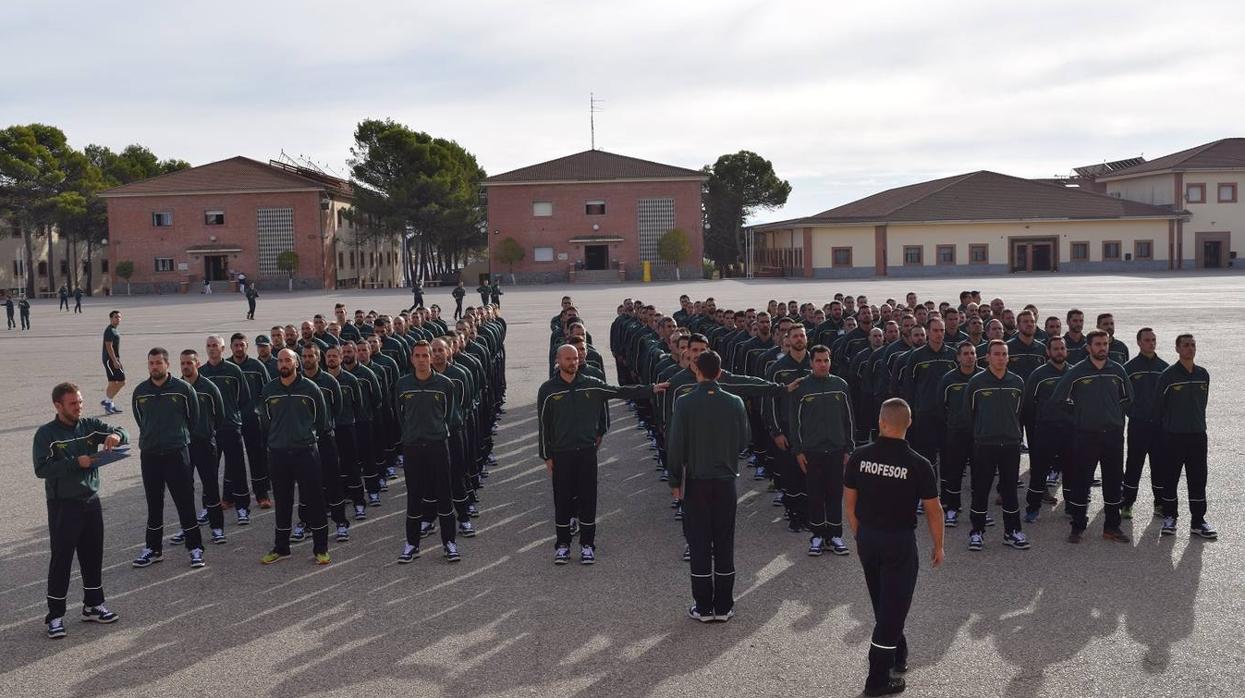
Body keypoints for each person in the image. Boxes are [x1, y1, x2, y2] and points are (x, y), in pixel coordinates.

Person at [844, 398, 943, 697]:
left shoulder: (859, 458)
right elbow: (934, 510)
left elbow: (849, 502)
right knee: (892, 612)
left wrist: (860, 534)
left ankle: (898, 655)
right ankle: (877, 680)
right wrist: (938, 545)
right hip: (898, 542)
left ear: (880, 422)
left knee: (883, 601)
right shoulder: (919, 464)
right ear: (909, 424)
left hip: (869, 539)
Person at [537, 344, 667, 564]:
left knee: (588, 498)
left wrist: (651, 388)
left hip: (587, 452)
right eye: (568, 359)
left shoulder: (591, 385)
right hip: (562, 453)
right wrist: (547, 457)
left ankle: (587, 544)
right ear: (558, 361)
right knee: (563, 500)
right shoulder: (548, 390)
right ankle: (562, 545)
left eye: (576, 358)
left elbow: (619, 391)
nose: (573, 362)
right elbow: (543, 426)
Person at [33, 382, 128, 639]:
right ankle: (55, 616)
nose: (78, 407)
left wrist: (116, 436)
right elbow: (41, 469)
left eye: (80, 402)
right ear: (58, 405)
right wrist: (77, 462)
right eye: (73, 404)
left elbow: (122, 431)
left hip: (90, 500)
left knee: (92, 554)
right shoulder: (46, 434)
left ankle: (93, 605)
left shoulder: (89, 427)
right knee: (61, 560)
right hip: (63, 505)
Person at [667, 350, 750, 622]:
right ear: (720, 371)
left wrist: (674, 481)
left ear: (697, 371)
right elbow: (744, 441)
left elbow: (676, 445)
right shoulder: (735, 401)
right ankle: (724, 606)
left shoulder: (685, 402)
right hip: (726, 480)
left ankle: (703, 607)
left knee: (700, 543)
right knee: (724, 542)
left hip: (697, 482)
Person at [1049, 329, 1133, 544]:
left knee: (1114, 482)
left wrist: (1115, 416)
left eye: (1105, 344)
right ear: (1089, 347)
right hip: (1085, 436)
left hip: (1113, 436)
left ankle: (1112, 527)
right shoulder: (1077, 371)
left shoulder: (1117, 370)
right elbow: (1058, 399)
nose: (1102, 348)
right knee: (1081, 482)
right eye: (1098, 344)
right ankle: (1077, 527)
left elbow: (1128, 398)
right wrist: (1078, 415)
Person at [130, 347, 206, 569]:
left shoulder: (183, 389)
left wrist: (176, 437)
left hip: (176, 453)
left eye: (158, 363)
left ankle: (195, 548)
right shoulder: (140, 392)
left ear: (167, 364)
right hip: (150, 455)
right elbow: (140, 419)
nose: (154, 367)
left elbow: (193, 419)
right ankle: (153, 549)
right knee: (154, 504)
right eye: (151, 363)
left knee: (185, 502)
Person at [257, 348, 332, 565]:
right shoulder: (269, 390)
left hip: (305, 451)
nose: (283, 364)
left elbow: (321, 420)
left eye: (287, 360)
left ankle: (321, 548)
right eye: (280, 360)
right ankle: (281, 547)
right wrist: (279, 438)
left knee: (315, 500)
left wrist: (303, 436)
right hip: (279, 453)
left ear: (296, 363)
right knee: (282, 501)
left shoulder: (310, 388)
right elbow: (266, 420)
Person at [394, 341, 462, 563]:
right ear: (412, 359)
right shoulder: (403, 385)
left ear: (431, 358)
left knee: (444, 494)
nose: (422, 359)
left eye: (426, 355)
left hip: (437, 445)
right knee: (414, 496)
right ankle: (412, 544)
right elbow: (398, 415)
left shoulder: (444, 384)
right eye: (418, 355)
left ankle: (449, 542)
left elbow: (451, 416)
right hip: (413, 446)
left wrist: (435, 431)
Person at [788, 344, 854, 556]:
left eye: (826, 360)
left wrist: (849, 448)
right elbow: (794, 423)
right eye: (818, 360)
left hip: (836, 450)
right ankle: (817, 535)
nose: (823, 364)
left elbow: (849, 419)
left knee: (835, 494)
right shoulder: (802, 387)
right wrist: (798, 451)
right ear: (811, 363)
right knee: (815, 495)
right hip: (811, 452)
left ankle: (835, 535)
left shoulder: (840, 385)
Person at [962, 340, 1028, 551]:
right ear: (988, 357)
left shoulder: (1017, 382)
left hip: (1010, 444)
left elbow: (1020, 413)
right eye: (996, 354)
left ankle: (1012, 532)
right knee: (981, 490)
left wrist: (1014, 435)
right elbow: (969, 414)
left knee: (1009, 490)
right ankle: (977, 532)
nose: (1000, 357)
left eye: (1004, 354)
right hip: (984, 445)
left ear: (1008, 357)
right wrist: (981, 434)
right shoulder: (977, 382)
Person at [1157, 334, 1215, 538]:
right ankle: (1170, 517)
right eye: (1185, 345)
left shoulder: (1203, 374)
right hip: (1173, 437)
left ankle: (1198, 522)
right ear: (1177, 349)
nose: (1190, 349)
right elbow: (1159, 407)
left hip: (1198, 436)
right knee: (1170, 479)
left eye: (1193, 345)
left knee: (1198, 479)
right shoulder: (1168, 375)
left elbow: (1203, 403)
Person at [201, 335, 255, 525]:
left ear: (223, 348)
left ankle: (242, 508)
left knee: (237, 469)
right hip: (208, 432)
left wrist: (233, 417)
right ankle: (208, 507)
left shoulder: (234, 371)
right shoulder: (201, 373)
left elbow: (244, 399)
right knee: (209, 471)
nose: (212, 349)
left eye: (215, 345)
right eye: (209, 346)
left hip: (231, 427)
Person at [178, 349, 227, 545]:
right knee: (184, 490)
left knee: (211, 488)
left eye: (189, 363)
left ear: (197, 363)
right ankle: (187, 528)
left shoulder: (209, 387)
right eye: (182, 363)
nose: (186, 366)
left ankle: (217, 528)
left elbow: (220, 415)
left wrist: (207, 431)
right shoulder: (176, 387)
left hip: (205, 444)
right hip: (183, 446)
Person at [1121, 327, 1167, 519]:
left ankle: (1160, 503)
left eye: (1153, 340)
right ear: (1139, 342)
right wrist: (1133, 413)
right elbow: (1122, 397)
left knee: (1159, 465)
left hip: (1158, 426)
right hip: (1138, 425)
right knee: (1134, 464)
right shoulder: (1129, 368)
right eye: (1147, 340)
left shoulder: (1165, 368)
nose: (1151, 343)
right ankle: (1127, 504)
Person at [934, 341, 980, 527]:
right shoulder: (948, 379)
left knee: (979, 475)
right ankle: (952, 509)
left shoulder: (983, 377)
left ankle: (979, 512)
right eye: (966, 353)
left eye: (972, 353)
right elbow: (940, 407)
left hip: (980, 435)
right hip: (956, 434)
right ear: (958, 357)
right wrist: (952, 424)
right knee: (954, 473)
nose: (969, 356)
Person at [102, 311, 125, 415]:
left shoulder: (114, 330)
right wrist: (115, 361)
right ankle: (107, 402)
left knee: (112, 382)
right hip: (110, 359)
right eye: (116, 317)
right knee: (121, 381)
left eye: (119, 317)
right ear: (111, 318)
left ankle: (109, 404)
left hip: (114, 358)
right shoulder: (109, 330)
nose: (118, 319)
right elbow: (108, 346)